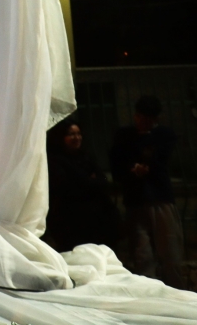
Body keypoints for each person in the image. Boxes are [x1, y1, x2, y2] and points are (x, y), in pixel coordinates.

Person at [110, 95, 184, 287]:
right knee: (142, 252)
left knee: (169, 249)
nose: (143, 122)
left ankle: (176, 289)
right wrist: (133, 168)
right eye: (140, 117)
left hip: (159, 197)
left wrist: (144, 166)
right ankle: (148, 290)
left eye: (148, 118)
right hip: (136, 198)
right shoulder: (125, 136)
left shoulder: (163, 135)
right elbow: (118, 161)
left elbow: (158, 159)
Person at [45, 118, 120, 252]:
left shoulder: (86, 157)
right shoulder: (55, 161)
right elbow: (67, 188)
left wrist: (89, 182)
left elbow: (102, 180)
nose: (77, 138)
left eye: (78, 134)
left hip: (97, 220)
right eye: (71, 134)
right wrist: (89, 181)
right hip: (71, 222)